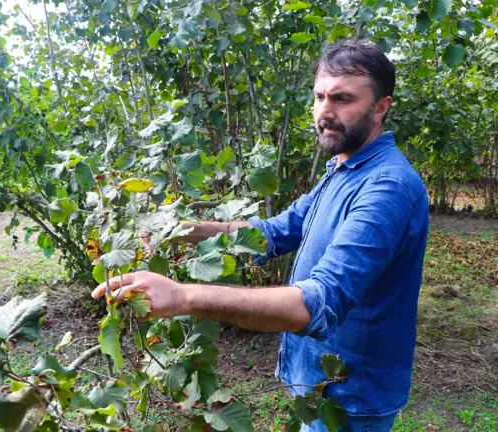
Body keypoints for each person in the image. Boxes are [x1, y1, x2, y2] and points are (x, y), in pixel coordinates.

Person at [92, 39, 429, 432]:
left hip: (351, 399)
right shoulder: (345, 168)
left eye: (342, 99)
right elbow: (276, 232)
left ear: (381, 107)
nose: (324, 111)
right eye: (319, 96)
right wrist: (185, 231)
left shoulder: (386, 187)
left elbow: (317, 302)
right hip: (319, 387)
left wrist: (183, 296)